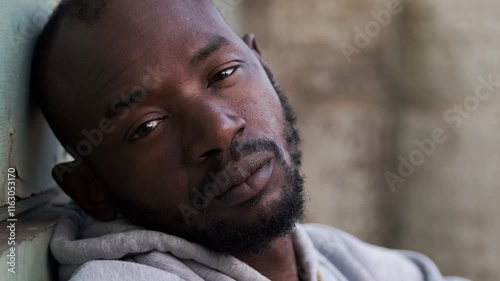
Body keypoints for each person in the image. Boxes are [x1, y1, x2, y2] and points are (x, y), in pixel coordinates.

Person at [30, 0, 469, 280]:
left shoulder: (340, 257)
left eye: (223, 74)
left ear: (267, 73)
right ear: (92, 191)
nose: (219, 130)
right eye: (147, 126)